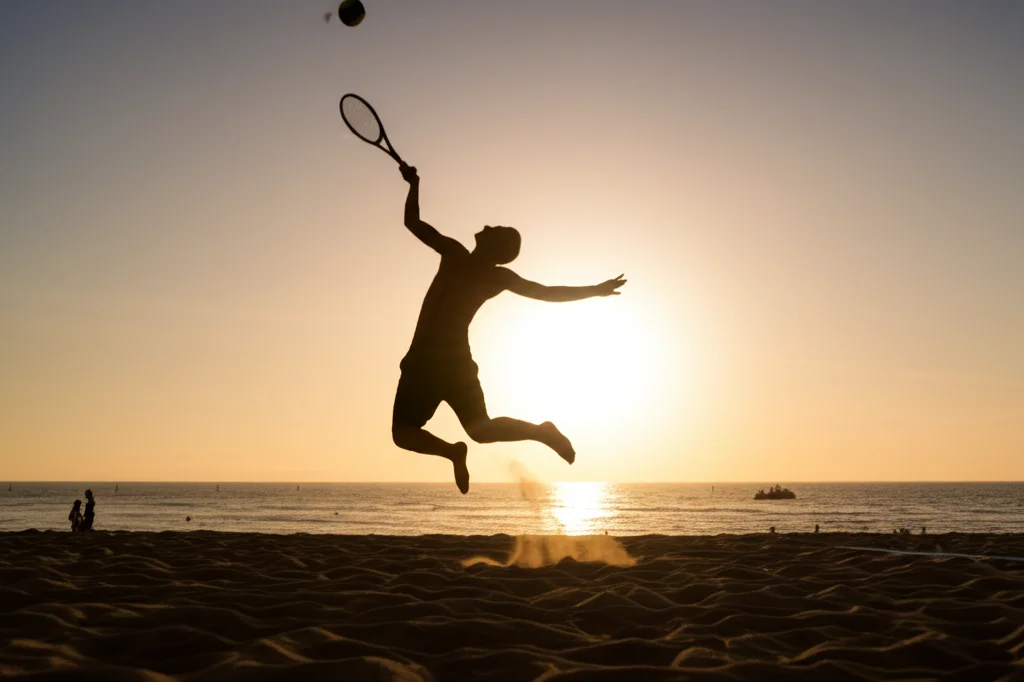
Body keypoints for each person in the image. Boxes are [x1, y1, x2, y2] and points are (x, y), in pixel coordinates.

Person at [391, 163, 626, 494]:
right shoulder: (494, 277)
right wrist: (594, 290)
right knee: (481, 429)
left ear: (495, 247)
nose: (486, 225)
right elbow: (546, 293)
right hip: (455, 362)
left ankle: (452, 451)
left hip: (424, 363)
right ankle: (539, 432)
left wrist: (413, 184)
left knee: (403, 433)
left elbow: (411, 222)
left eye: (494, 228)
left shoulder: (455, 254)